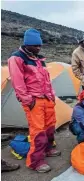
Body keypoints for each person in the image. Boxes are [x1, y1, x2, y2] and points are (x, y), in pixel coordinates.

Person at [8, 28, 61, 173]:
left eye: (40, 45)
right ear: (27, 44)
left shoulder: (39, 59)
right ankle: (35, 161)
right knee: (38, 131)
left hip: (47, 99)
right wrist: (28, 100)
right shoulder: (17, 58)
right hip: (34, 101)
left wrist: (52, 96)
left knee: (50, 127)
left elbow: (47, 80)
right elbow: (17, 82)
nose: (39, 48)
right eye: (36, 45)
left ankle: (48, 149)